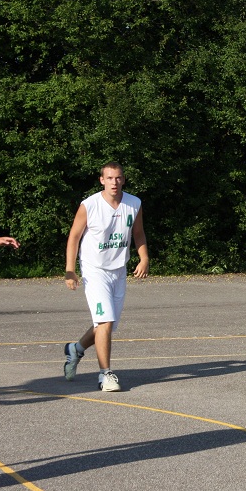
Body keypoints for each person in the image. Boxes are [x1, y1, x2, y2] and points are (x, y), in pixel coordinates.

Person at [63, 162, 149, 391]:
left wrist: (144, 258)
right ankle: (105, 374)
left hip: (118, 270)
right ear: (102, 180)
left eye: (118, 178)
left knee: (106, 324)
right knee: (105, 321)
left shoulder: (134, 203)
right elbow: (74, 236)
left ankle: (75, 349)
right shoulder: (89, 205)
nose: (114, 182)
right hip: (95, 269)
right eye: (109, 178)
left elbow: (138, 234)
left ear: (124, 179)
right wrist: (70, 270)